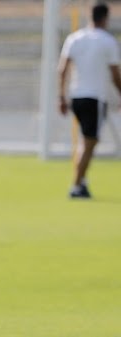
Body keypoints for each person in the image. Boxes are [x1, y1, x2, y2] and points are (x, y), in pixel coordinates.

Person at [58, 2, 121, 199]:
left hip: (76, 96)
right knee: (89, 142)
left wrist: (61, 96)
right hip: (95, 97)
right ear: (105, 18)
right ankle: (76, 186)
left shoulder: (75, 38)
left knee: (85, 140)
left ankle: (82, 182)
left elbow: (62, 69)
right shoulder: (107, 41)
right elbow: (114, 74)